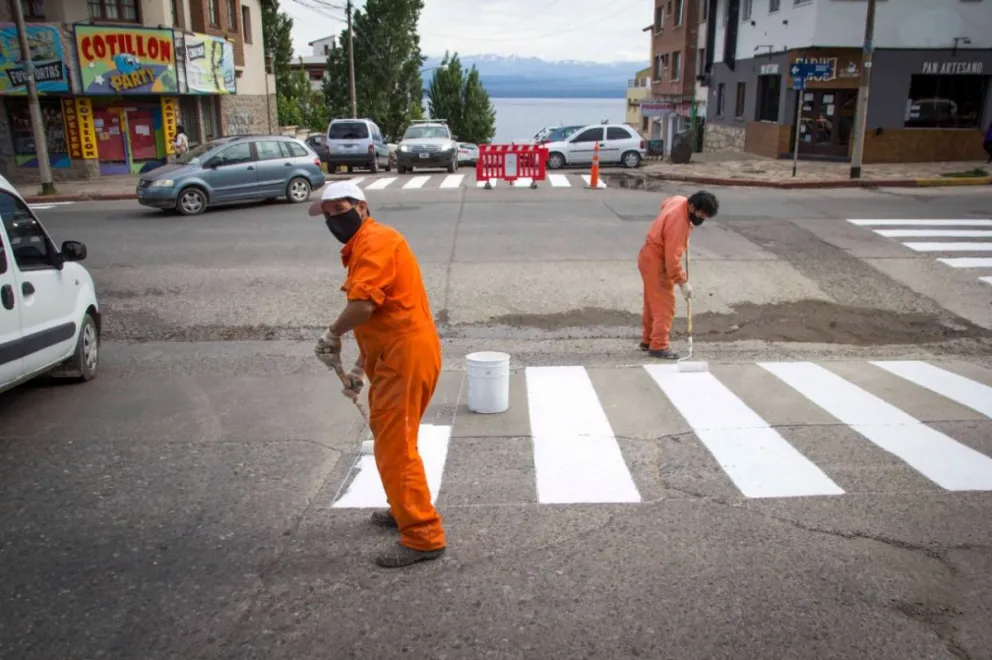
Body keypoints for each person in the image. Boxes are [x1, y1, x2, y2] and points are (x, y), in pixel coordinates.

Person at [309, 181, 446, 569]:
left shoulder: (376, 241)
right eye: (329, 215)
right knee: (395, 439)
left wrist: (331, 335)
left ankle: (423, 534)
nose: (335, 220)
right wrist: (357, 368)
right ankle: (404, 507)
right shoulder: (363, 246)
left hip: (406, 355)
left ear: (362, 207)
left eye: (340, 210)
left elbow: (364, 306)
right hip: (396, 354)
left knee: (394, 446)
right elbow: (378, 319)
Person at [637, 190, 719, 359]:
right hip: (657, 261)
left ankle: (647, 340)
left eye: (705, 217)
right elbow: (672, 262)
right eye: (701, 214)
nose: (702, 219)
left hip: (647, 255)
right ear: (691, 206)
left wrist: (669, 230)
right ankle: (659, 346)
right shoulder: (679, 224)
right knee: (664, 306)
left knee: (652, 302)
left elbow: (665, 203)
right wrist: (683, 282)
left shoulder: (679, 201)